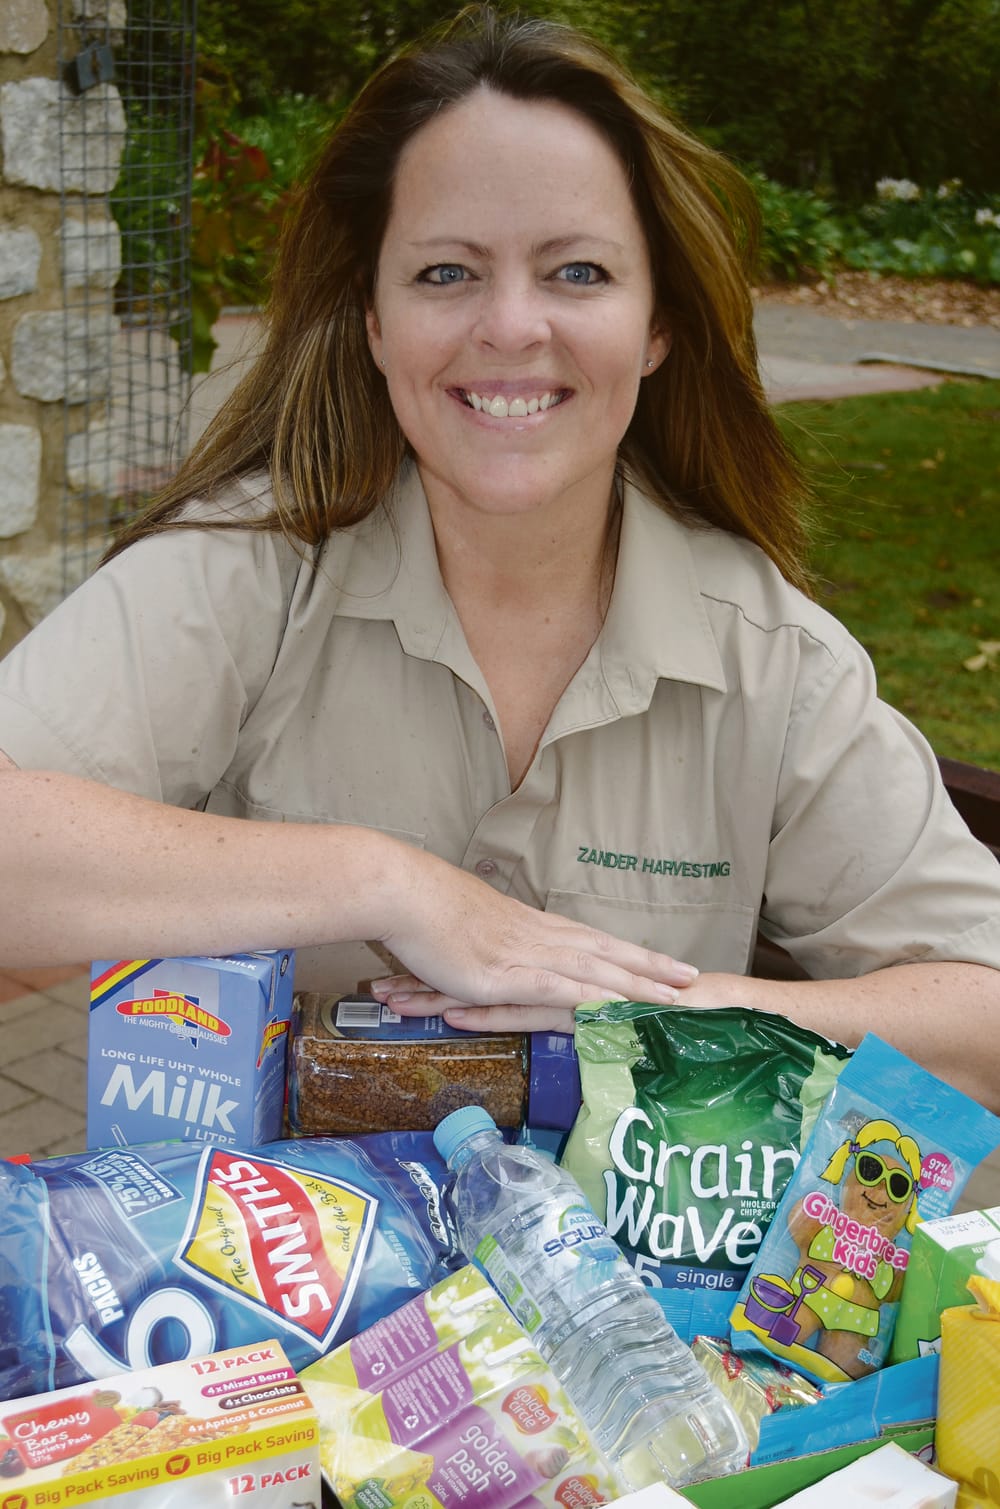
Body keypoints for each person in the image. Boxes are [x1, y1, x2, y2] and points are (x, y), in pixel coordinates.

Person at [1, 5, 998, 1111]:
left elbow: (981, 1013)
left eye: (576, 272)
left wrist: (651, 1019)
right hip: (258, 1275)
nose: (512, 326)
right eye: (444, 274)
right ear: (373, 321)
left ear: (657, 321)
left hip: (620, 1288)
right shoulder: (254, 569)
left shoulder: (771, 659)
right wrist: (385, 885)